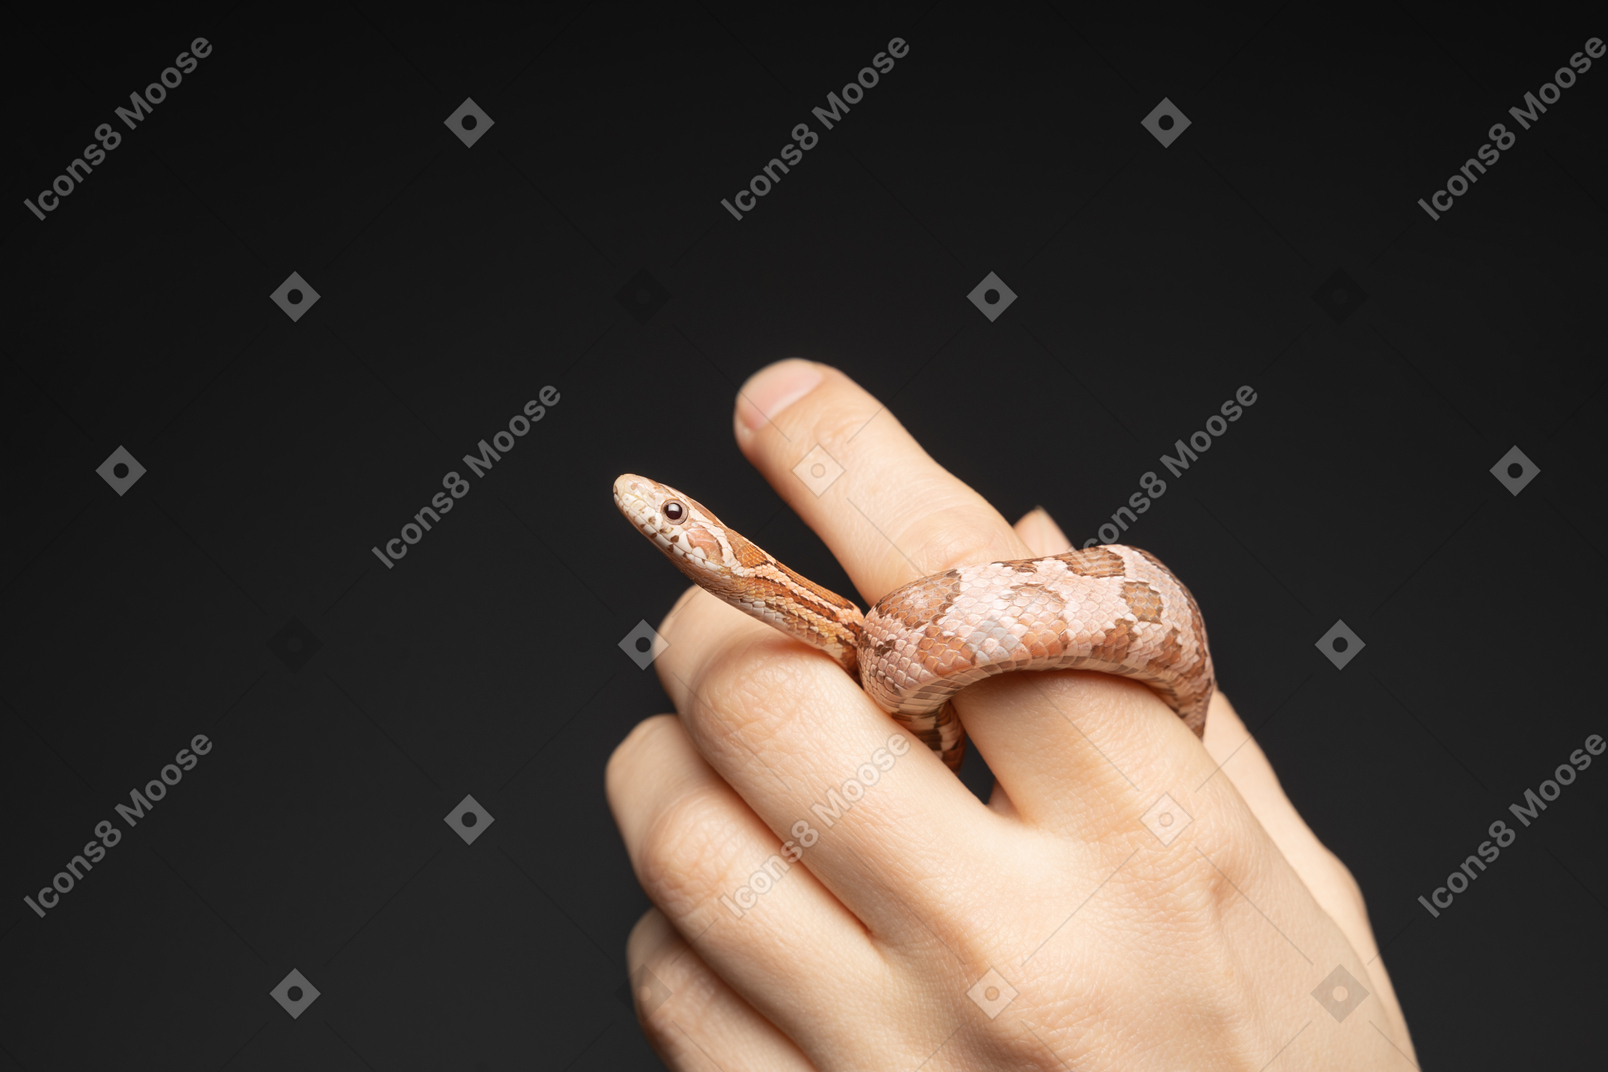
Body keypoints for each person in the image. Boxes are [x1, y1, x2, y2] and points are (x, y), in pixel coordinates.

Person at [606, 359, 1415, 1069]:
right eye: (669, 514)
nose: (656, 511)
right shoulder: (846, 631)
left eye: (678, 514)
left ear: (717, 540)